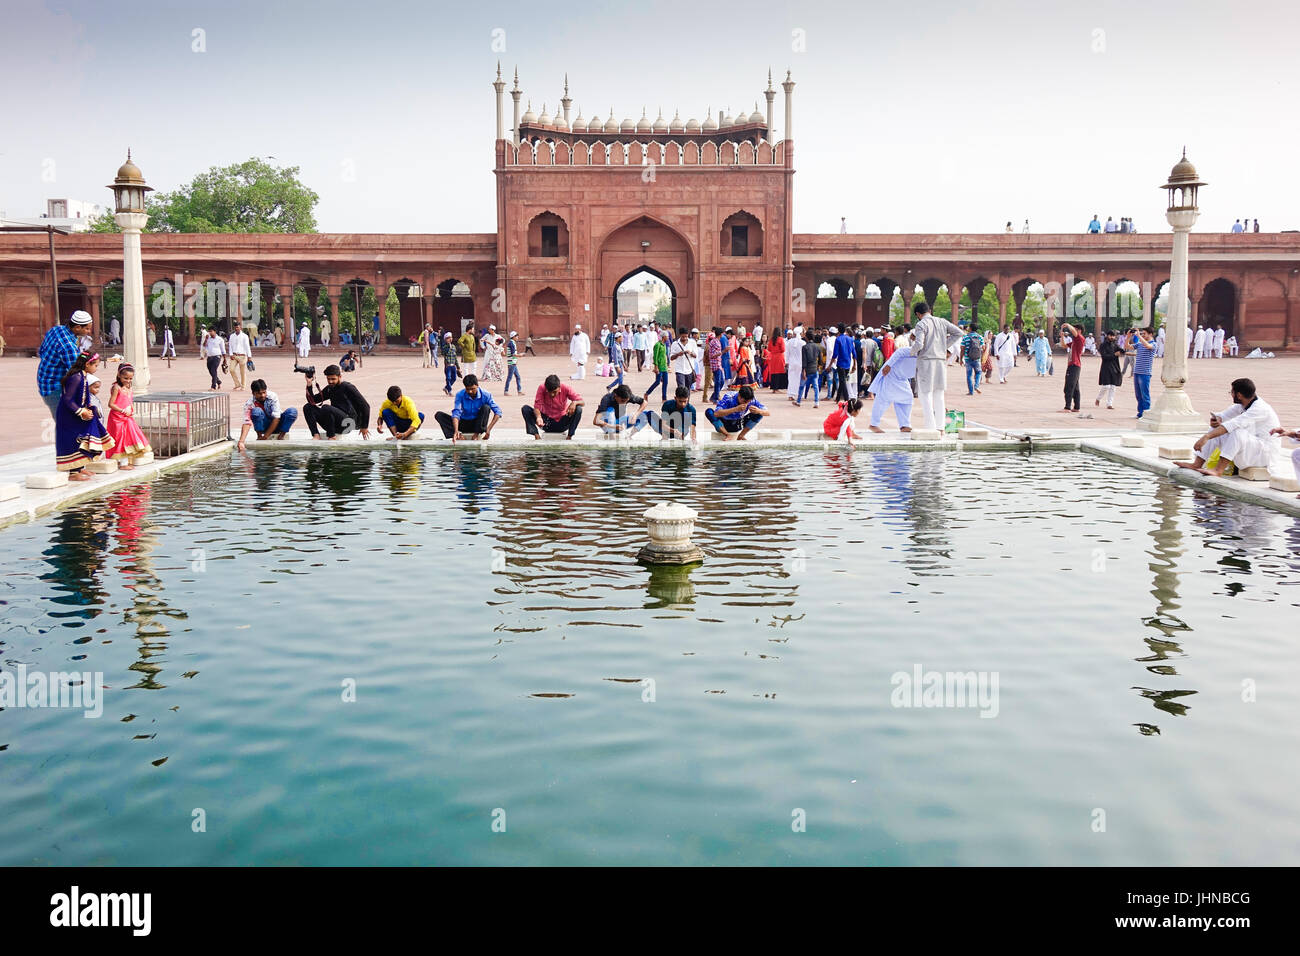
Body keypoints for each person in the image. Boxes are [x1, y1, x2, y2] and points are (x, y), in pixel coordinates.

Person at [1176, 378, 1280, 477]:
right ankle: (1196, 464)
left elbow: (1233, 424)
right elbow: (1223, 416)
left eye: (1232, 392)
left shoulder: (1260, 408)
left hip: (1264, 455)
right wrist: (1216, 419)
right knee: (1216, 429)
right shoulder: (1244, 403)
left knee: (1237, 432)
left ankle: (1218, 470)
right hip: (1252, 449)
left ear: (1239, 395)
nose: (1231, 395)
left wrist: (1206, 437)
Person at [55, 354, 112, 479]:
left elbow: (83, 396)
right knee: (73, 440)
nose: (96, 368)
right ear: (87, 364)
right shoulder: (76, 377)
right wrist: (81, 411)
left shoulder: (84, 376)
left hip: (78, 413)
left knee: (83, 438)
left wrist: (89, 407)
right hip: (68, 415)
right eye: (96, 365)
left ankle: (80, 468)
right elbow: (67, 399)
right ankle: (73, 472)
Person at [910, 303, 963, 431]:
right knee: (939, 395)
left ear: (918, 314)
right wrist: (943, 346)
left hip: (926, 361)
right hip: (940, 361)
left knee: (925, 394)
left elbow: (919, 344)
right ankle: (940, 427)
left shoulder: (921, 324)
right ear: (930, 310)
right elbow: (959, 333)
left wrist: (911, 351)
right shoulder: (942, 322)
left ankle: (930, 427)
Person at [37, 308, 88, 420]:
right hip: (54, 388)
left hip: (44, 381)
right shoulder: (68, 346)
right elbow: (76, 374)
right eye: (87, 328)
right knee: (65, 425)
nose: (88, 331)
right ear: (78, 327)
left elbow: (41, 351)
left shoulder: (56, 329)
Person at [303, 364, 371, 440]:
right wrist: (309, 383)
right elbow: (313, 400)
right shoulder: (330, 388)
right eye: (328, 379)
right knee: (308, 407)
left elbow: (365, 406)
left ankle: (331, 436)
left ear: (340, 377)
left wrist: (364, 427)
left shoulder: (348, 387)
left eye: (333, 379)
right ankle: (316, 435)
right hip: (334, 423)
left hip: (348, 423)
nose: (330, 381)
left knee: (326, 407)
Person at [104, 363, 151, 468]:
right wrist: (122, 410)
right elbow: (110, 404)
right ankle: (122, 463)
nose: (128, 381)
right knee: (120, 439)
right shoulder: (116, 387)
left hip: (127, 417)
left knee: (130, 438)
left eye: (130, 378)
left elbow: (129, 400)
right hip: (117, 418)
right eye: (126, 378)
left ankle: (128, 460)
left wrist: (131, 409)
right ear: (119, 375)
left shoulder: (129, 386)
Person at [867, 342, 915, 433]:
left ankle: (905, 425)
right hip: (891, 372)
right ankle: (873, 424)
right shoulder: (919, 349)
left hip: (902, 377)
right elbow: (900, 352)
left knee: (907, 398)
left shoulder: (933, 357)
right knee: (884, 398)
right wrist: (889, 365)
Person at [436, 373, 501, 441]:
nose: (470, 391)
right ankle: (458, 435)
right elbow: (456, 413)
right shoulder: (460, 394)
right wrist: (456, 431)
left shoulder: (486, 395)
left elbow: (498, 412)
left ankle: (477, 434)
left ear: (477, 386)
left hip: (477, 424)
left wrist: (488, 429)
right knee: (439, 415)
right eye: (468, 389)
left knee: (486, 407)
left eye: (473, 389)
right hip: (464, 423)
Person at [237, 379, 297, 449]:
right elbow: (246, 422)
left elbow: (276, 417)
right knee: (256, 411)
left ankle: (281, 436)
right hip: (264, 426)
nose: (262, 395)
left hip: (278, 424)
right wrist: (241, 441)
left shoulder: (273, 396)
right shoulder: (249, 403)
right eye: (259, 393)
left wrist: (266, 436)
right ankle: (259, 436)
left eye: (264, 392)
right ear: (253, 393)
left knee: (292, 411)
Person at [523, 374, 584, 439]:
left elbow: (582, 402)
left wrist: (575, 403)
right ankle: (537, 436)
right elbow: (537, 406)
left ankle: (569, 436)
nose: (552, 394)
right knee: (525, 409)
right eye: (549, 392)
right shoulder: (541, 388)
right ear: (546, 388)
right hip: (546, 423)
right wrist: (538, 417)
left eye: (555, 392)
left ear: (559, 387)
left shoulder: (566, 388)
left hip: (562, 423)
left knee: (578, 409)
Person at [705, 385, 770, 440]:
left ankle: (741, 435)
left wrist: (758, 411)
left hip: (738, 424)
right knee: (709, 411)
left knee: (759, 414)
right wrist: (735, 409)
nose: (746, 404)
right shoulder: (729, 397)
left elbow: (768, 413)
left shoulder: (751, 400)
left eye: (748, 402)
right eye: (744, 401)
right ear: (739, 396)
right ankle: (727, 434)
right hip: (724, 424)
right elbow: (716, 413)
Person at [1058, 322, 1085, 412]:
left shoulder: (1080, 338)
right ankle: (1076, 407)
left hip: (1074, 365)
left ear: (1079, 331)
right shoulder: (1074, 342)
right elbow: (1063, 345)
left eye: (1075, 329)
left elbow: (1074, 332)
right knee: (1075, 387)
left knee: (1069, 387)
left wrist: (1068, 325)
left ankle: (1067, 407)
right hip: (1073, 365)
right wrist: (1062, 336)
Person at [1131, 327, 1155, 418]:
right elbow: (1127, 346)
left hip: (1145, 373)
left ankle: (1146, 413)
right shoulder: (1140, 344)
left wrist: (1139, 336)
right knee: (1138, 395)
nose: (1143, 335)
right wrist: (1128, 337)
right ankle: (1140, 413)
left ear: (1150, 334)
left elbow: (1148, 346)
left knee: (1145, 394)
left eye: (1144, 333)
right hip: (1137, 372)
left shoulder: (1154, 344)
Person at [1095, 329, 1122, 409]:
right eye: (1111, 336)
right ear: (1107, 336)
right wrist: (1114, 354)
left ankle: (1109, 404)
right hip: (1106, 367)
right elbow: (1104, 357)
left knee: (1113, 387)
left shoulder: (1115, 344)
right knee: (1106, 386)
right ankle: (1098, 398)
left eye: (1113, 336)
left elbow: (1121, 350)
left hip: (1114, 367)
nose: (1112, 337)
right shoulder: (1103, 345)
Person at [669, 326, 696, 392]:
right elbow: (671, 358)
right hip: (679, 370)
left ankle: (686, 402)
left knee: (687, 390)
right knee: (681, 389)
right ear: (680, 335)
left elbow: (695, 355)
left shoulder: (692, 342)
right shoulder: (675, 344)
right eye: (683, 337)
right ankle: (680, 402)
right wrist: (678, 354)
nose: (685, 338)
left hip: (689, 370)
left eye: (686, 336)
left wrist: (690, 353)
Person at [644, 331, 669, 402]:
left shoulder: (664, 345)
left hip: (664, 367)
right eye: (667, 336)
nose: (668, 337)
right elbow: (655, 356)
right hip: (659, 366)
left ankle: (664, 398)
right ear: (663, 337)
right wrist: (656, 367)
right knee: (657, 382)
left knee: (665, 382)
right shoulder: (657, 345)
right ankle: (647, 393)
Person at [961, 323, 985, 394]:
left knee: (969, 375)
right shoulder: (980, 337)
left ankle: (971, 391)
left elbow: (962, 348)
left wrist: (960, 359)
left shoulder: (965, 337)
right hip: (977, 358)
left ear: (970, 328)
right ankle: (976, 386)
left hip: (968, 358)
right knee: (978, 372)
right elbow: (983, 348)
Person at [228, 323, 252, 390]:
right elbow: (230, 346)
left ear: (240, 327)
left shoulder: (244, 336)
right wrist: (230, 354)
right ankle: (237, 384)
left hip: (243, 356)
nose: (236, 329)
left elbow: (247, 346)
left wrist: (249, 356)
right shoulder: (232, 336)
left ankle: (243, 386)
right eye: (235, 327)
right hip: (234, 355)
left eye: (238, 327)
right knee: (231, 369)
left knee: (242, 372)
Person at [785, 327, 804, 403]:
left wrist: (786, 362)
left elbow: (787, 353)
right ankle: (800, 394)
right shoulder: (803, 343)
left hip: (792, 363)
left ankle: (791, 395)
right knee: (800, 379)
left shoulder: (789, 342)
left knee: (791, 378)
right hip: (800, 363)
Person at [605, 325, 626, 390]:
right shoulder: (614, 346)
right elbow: (615, 357)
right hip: (617, 363)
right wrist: (617, 366)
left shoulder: (619, 345)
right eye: (621, 337)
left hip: (620, 362)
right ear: (618, 338)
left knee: (621, 377)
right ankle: (620, 389)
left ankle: (610, 386)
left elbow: (621, 356)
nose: (622, 338)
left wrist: (623, 364)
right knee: (620, 377)